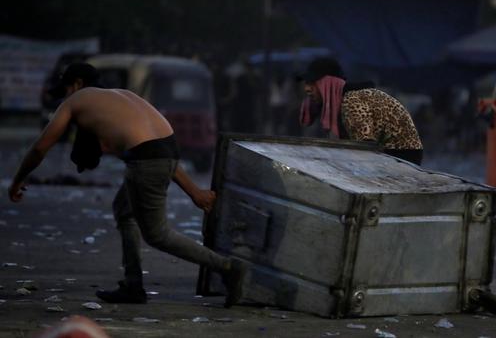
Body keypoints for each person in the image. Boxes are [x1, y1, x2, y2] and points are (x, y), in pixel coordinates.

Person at [7, 63, 244, 306]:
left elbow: (40, 148)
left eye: (67, 89)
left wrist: (17, 180)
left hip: (146, 160)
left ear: (76, 84)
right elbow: (160, 150)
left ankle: (227, 268)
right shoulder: (120, 96)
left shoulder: (76, 101)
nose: (66, 96)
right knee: (124, 209)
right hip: (166, 150)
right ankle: (133, 285)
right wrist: (194, 191)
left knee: (157, 235)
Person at [298, 57, 424, 165]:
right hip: (389, 153)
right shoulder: (341, 102)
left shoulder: (350, 102)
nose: (307, 89)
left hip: (401, 155)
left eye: (313, 83)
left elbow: (365, 146)